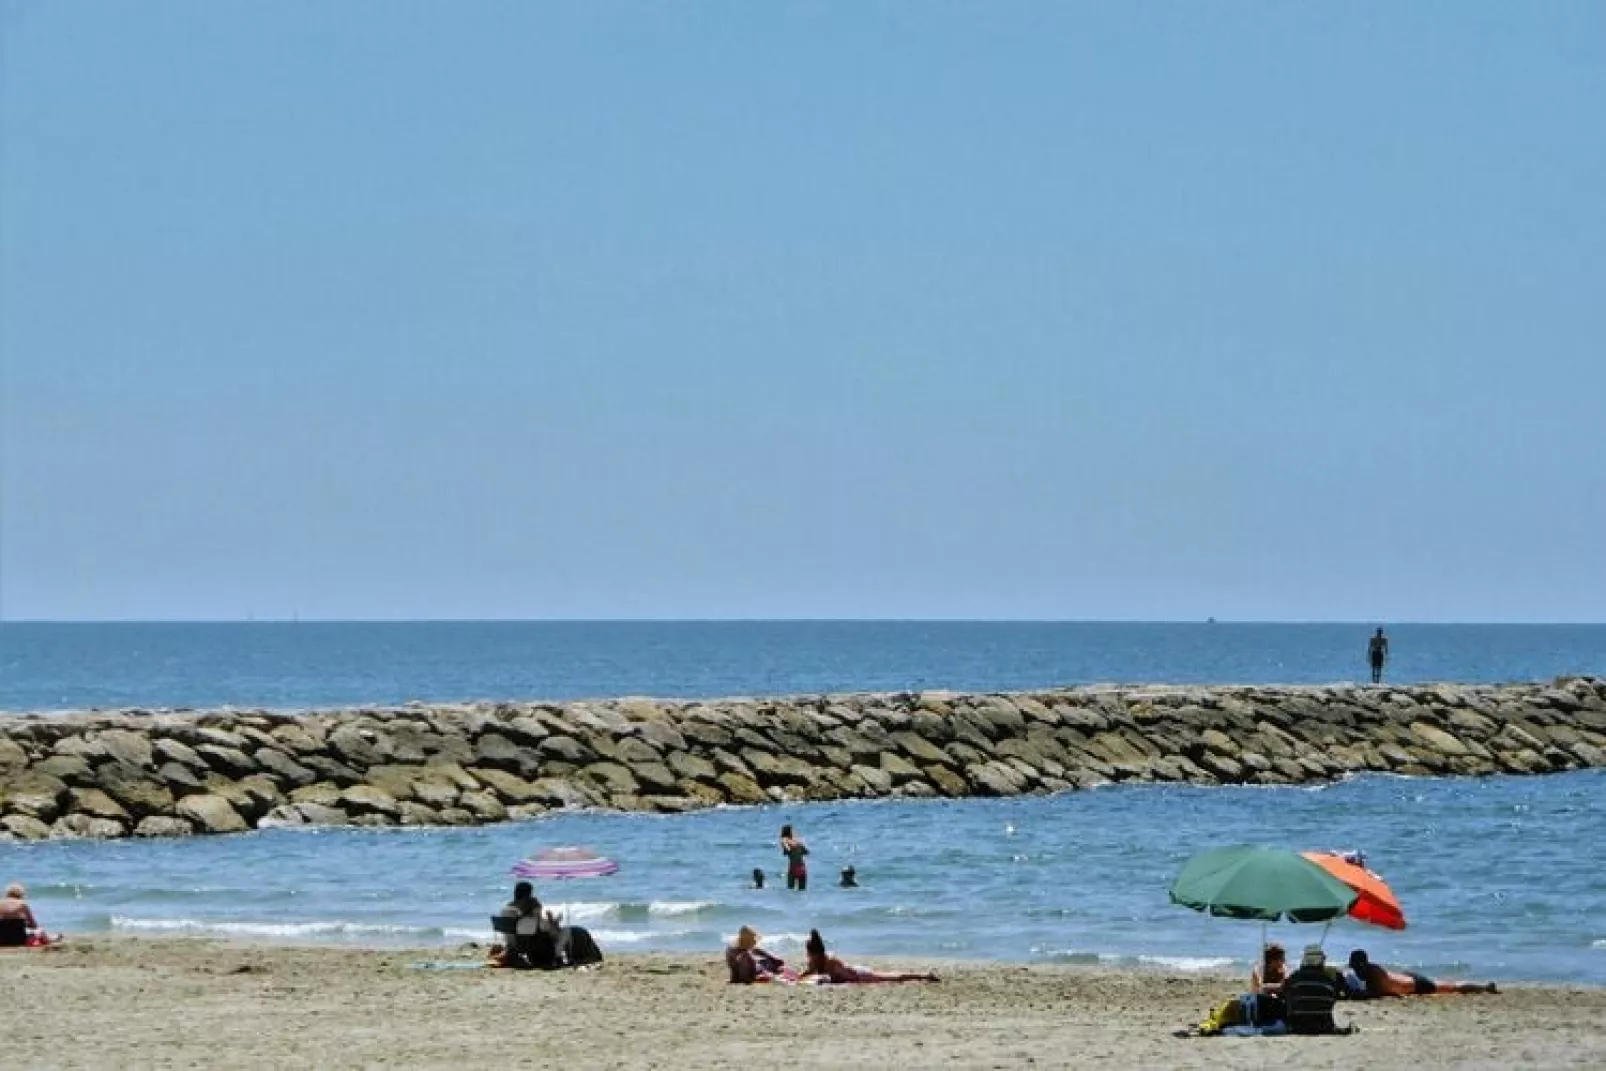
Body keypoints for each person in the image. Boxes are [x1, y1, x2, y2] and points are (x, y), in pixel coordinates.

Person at [801, 929, 937, 984]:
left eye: (809, 953)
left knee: (891, 977)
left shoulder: (830, 961)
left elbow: (848, 978)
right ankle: (923, 976)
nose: (807, 956)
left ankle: (924, 976)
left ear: (816, 954)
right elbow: (808, 973)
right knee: (889, 977)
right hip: (854, 973)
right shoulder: (815, 962)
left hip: (859, 974)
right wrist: (798, 978)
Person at [1348, 949, 1497, 996]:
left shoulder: (1374, 973)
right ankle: (1483, 986)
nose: (1354, 970)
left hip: (1416, 985)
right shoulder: (1371, 970)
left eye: (1355, 967)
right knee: (1447, 985)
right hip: (1406, 978)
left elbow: (1379, 991)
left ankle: (1484, 987)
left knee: (1452, 987)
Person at [1283, 946, 1351, 1035]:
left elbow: (1284, 993)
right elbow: (1345, 994)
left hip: (1297, 1027)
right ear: (1321, 960)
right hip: (1325, 1026)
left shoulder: (1294, 977)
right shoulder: (1332, 977)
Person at [0, 883, 56, 947]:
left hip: (2, 940)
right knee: (40, 931)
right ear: (21, 894)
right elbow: (33, 924)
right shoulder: (22, 904)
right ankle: (49, 939)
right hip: (19, 940)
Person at [780, 824, 809, 891]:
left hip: (793, 868)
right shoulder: (798, 842)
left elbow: (788, 850)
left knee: (790, 890)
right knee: (802, 891)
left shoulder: (784, 840)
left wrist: (786, 846)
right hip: (802, 868)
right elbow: (806, 852)